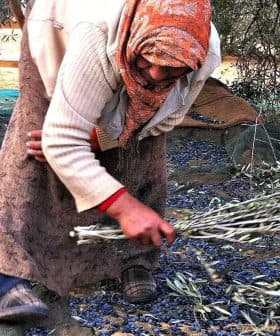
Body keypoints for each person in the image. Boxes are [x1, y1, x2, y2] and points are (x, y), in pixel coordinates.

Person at [0, 0, 221, 321]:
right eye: (149, 61)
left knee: (141, 155)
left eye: (171, 68)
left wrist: (102, 138)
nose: (156, 74)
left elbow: (165, 118)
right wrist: (124, 207)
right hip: (59, 34)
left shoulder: (203, 54)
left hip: (122, 48)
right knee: (35, 150)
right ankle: (8, 276)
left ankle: (134, 260)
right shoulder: (98, 32)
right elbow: (61, 140)